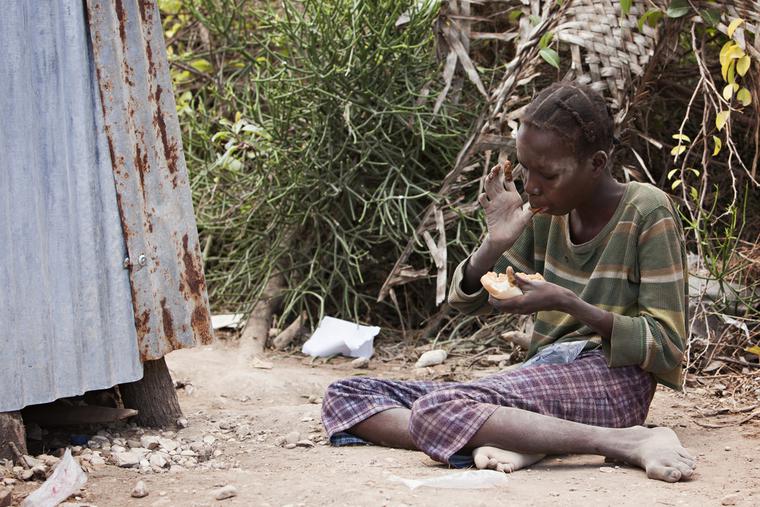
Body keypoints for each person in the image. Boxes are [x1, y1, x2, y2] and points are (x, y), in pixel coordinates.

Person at [320, 81, 695, 482]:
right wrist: (494, 243)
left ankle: (628, 442)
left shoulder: (647, 210)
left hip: (613, 378)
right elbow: (468, 304)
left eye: (547, 174)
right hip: (544, 371)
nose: (531, 186)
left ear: (597, 163)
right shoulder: (545, 211)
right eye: (524, 169)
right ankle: (520, 437)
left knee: (440, 407)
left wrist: (568, 303)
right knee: (346, 396)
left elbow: (668, 346)